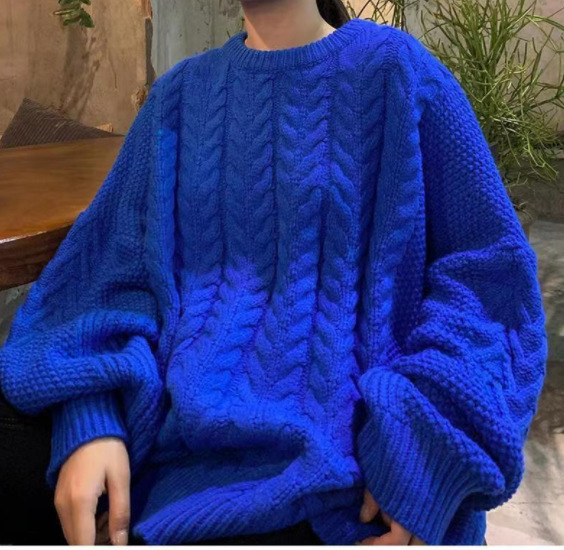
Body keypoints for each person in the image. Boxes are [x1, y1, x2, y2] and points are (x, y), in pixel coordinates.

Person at [0, 0, 547, 545]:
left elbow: (491, 285)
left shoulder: (400, 73)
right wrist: (92, 420)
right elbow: (100, 284)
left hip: (348, 472)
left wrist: (422, 448)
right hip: (172, 449)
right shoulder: (179, 96)